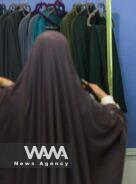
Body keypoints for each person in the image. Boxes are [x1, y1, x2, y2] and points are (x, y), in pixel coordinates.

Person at [0, 31, 127, 184]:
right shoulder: (82, 104)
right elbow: (115, 123)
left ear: (33, 58)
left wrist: (12, 86)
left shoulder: (12, 100)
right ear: (67, 59)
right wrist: (103, 95)